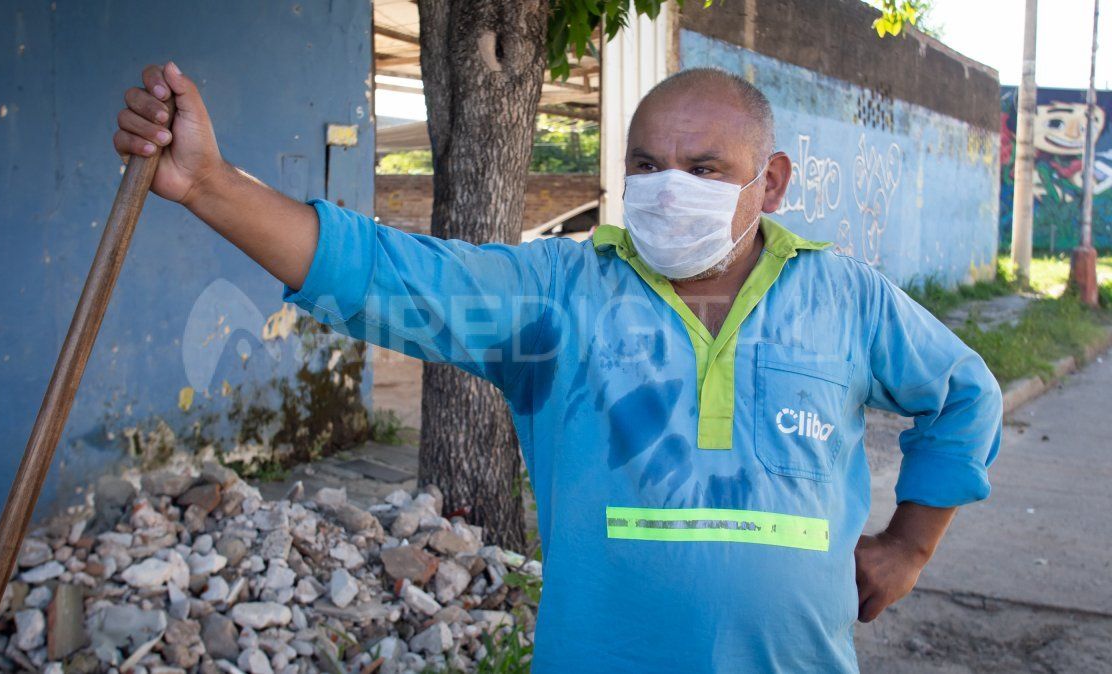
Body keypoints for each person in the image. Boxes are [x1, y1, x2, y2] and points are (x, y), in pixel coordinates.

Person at [114, 62, 1001, 672]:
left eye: (703, 167)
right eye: (646, 165)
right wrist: (208, 186)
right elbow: (387, 276)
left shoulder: (846, 299)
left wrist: (909, 545)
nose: (667, 187)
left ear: (770, 182)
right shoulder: (559, 298)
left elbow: (964, 395)